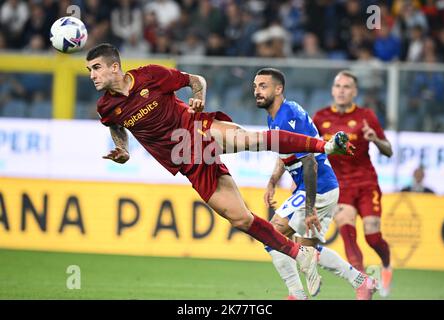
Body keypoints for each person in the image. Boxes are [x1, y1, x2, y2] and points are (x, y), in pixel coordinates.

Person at [85, 43, 354, 281]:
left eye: (96, 68)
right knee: (240, 219)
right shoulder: (105, 107)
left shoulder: (151, 75)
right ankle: (300, 254)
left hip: (195, 127)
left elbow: (196, 80)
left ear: (115, 67)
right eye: (89, 70)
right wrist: (122, 148)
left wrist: (199, 97)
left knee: (254, 140)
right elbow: (116, 126)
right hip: (186, 159)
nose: (92, 75)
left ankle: (326, 145)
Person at [254, 68, 377, 300]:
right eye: (255, 87)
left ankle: (297, 294)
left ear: (278, 89)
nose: (257, 91)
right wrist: (272, 180)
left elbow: (310, 162)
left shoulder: (287, 118)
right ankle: (362, 281)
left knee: (272, 234)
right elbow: (287, 153)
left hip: (318, 186)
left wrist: (310, 209)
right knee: (307, 251)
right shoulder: (278, 114)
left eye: (263, 86)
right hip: (315, 186)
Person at [313, 70, 393, 297]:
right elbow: (308, 149)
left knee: (372, 237)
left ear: (355, 92)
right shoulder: (319, 118)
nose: (341, 90)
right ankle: (363, 283)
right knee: (348, 232)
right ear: (332, 89)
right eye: (338, 86)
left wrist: (375, 139)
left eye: (347, 87)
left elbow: (389, 151)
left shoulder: (366, 116)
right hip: (339, 185)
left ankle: (386, 265)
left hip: (366, 183)